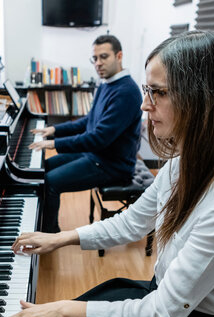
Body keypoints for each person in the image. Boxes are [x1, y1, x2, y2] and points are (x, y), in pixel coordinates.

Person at [0, 30, 214, 317]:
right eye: (146, 90)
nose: (144, 104)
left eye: (159, 93)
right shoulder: (181, 166)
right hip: (167, 302)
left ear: (201, 100)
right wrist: (60, 238)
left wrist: (59, 309)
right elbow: (131, 223)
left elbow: (159, 316)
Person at [29, 34, 143, 233]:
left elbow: (98, 138)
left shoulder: (127, 92)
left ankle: (49, 234)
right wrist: (54, 130)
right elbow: (88, 121)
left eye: (104, 57)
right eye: (95, 58)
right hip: (95, 155)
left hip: (112, 165)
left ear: (119, 56)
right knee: (43, 168)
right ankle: (39, 221)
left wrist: (54, 143)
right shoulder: (106, 83)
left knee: (52, 182)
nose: (98, 63)